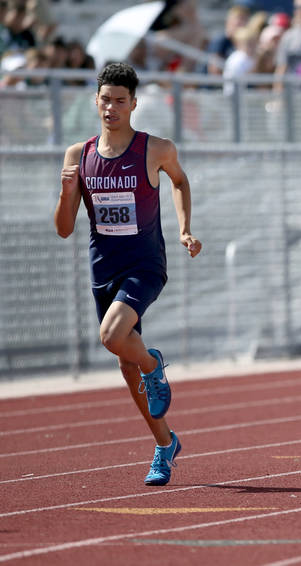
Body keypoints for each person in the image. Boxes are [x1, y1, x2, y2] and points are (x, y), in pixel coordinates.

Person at [53, 62, 202, 485]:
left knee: (112, 337)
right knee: (124, 365)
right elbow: (64, 229)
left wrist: (185, 229)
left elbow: (179, 182)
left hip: (145, 265)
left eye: (120, 100)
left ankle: (154, 363)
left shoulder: (156, 149)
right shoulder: (77, 156)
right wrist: (67, 192)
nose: (112, 107)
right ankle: (164, 445)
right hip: (104, 268)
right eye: (105, 100)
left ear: (133, 104)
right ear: (95, 102)